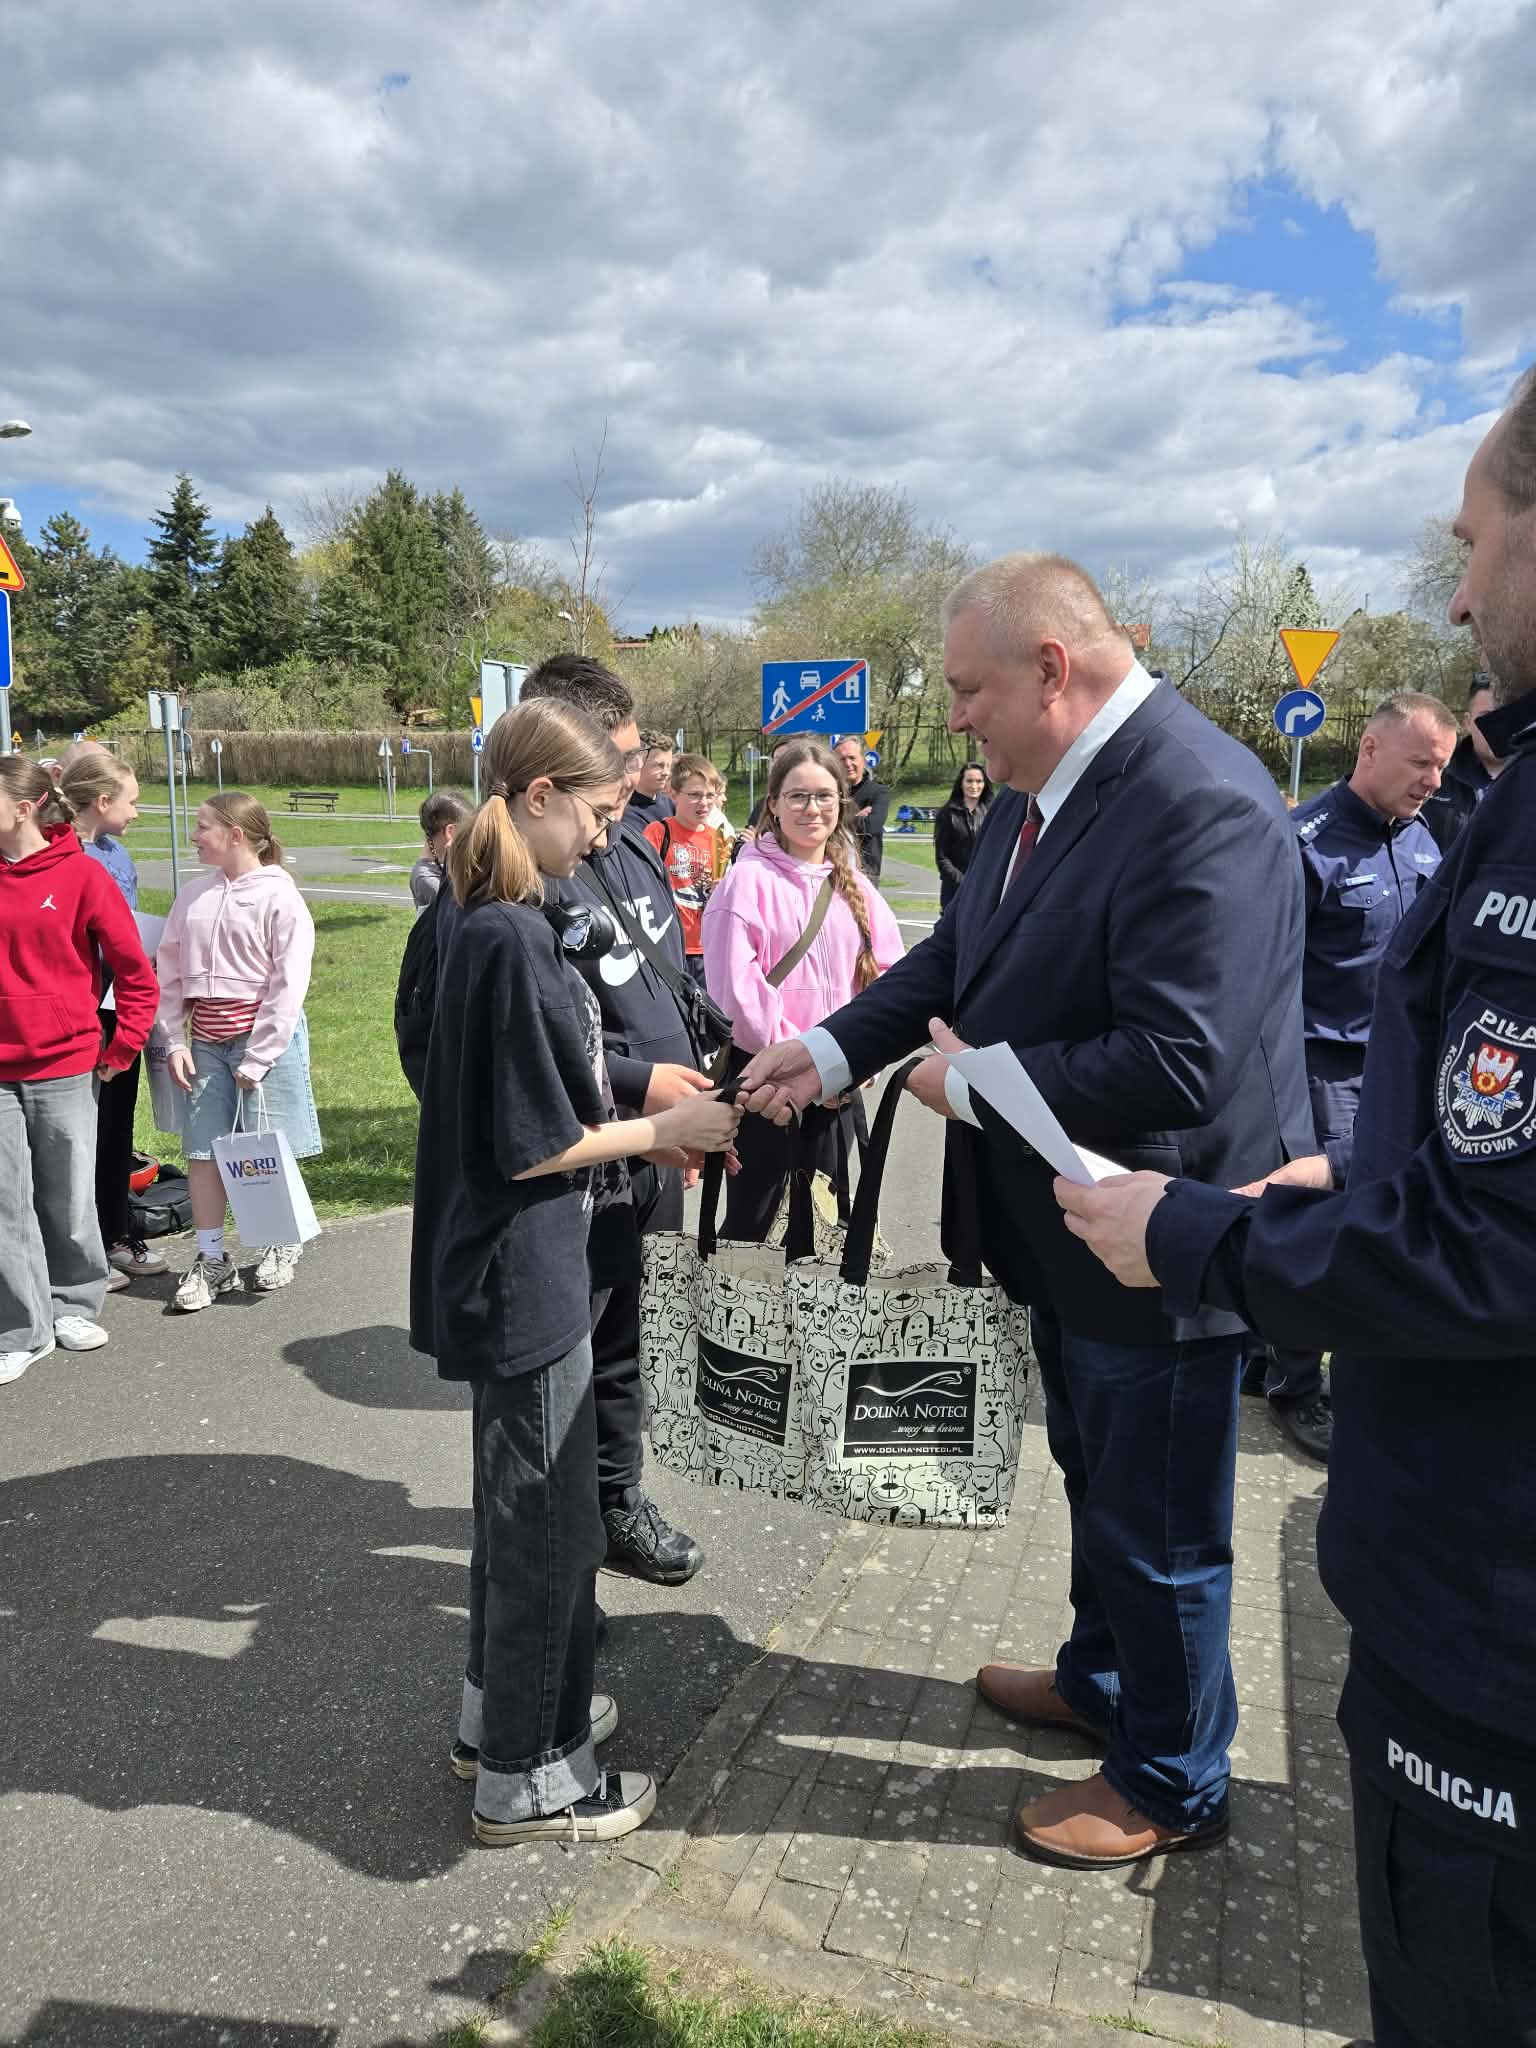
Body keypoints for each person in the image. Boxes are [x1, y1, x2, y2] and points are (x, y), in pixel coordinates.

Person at [1053, 369, 1536, 2048]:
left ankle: (1167, 1767)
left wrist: (1195, 1233)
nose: (1458, 595)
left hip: (1488, 1617)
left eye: (1474, 542)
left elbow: (1497, 1249)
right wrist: (1369, 1170)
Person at [737, 557, 1311, 1869]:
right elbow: (958, 954)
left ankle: (1173, 1780)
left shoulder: (1199, 798)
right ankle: (1106, 1683)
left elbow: (1181, 1060)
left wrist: (972, 1085)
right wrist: (830, 1050)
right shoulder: (1036, 793)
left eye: (966, 688)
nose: (951, 717)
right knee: (1098, 1480)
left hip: (1159, 1241)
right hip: (1066, 1235)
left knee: (1161, 1526)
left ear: (1052, 670)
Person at [408, 698, 740, 1845]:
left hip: (515, 1261)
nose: (608, 834)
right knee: (549, 1529)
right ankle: (531, 1773)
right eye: (599, 810)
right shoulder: (507, 931)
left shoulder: (489, 912)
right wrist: (667, 1131)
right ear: (539, 795)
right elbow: (534, 1139)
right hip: (525, 1267)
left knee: (516, 1522)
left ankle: (497, 1717)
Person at [520, 656, 715, 1586]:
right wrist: (645, 1089)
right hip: (588, 1147)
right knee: (572, 1356)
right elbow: (540, 1041)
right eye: (622, 760)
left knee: (630, 1338)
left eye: (637, 759)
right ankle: (560, 1558)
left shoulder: (630, 841)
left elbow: (664, 980)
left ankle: (614, 1503)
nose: (636, 777)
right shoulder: (525, 877)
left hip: (654, 1144)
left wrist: (704, 1081)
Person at [1249, 691, 1456, 1461]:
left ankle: (1271, 1353)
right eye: (1421, 762)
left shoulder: (1425, 841)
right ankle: (1297, 1385)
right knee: (1326, 1222)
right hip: (1323, 1067)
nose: (1435, 780)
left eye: (1443, 766)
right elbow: (1265, 974)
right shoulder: (1305, 843)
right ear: (1370, 749)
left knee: (1381, 1217)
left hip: (1400, 1066)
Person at [704, 737, 903, 1242]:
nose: (811, 808)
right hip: (767, 1090)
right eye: (797, 796)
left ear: (842, 802)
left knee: (825, 1232)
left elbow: (889, 978)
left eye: (824, 796)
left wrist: (858, 1060)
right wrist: (810, 1063)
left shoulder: (855, 885)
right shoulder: (745, 882)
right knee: (755, 1234)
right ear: (773, 803)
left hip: (840, 1088)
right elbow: (738, 996)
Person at [0, 759, 158, 1385]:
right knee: (4, 1203)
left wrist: (122, 1048)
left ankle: (72, 1301)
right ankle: (22, 1329)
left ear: (25, 808)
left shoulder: (82, 875)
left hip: (63, 1064)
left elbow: (136, 973)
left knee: (66, 1197)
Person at [155, 792, 321, 1311]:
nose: (194, 836)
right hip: (206, 1045)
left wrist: (260, 1055)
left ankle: (280, 1241)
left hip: (261, 1044)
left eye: (203, 826)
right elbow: (170, 970)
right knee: (203, 1152)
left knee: (264, 1148)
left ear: (236, 834)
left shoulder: (279, 896)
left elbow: (288, 982)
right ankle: (212, 1259)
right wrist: (174, 1040)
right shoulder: (194, 896)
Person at [59, 749, 167, 1291]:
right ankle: (76, 1251)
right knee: (73, 1131)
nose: (137, 812)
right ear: (102, 801)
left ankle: (115, 1234)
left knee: (117, 1124)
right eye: (132, 801)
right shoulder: (60, 855)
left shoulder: (117, 853)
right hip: (76, 1008)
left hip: (119, 1004)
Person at [643, 754, 729, 986]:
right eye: (695, 795)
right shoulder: (658, 833)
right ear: (673, 794)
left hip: (706, 947)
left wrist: (721, 890)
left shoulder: (718, 839)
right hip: (668, 944)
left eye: (710, 795)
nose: (704, 803)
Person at [1422, 673, 1506, 852]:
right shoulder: (1435, 777)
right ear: (1468, 722)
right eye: (1487, 717)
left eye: (1506, 717)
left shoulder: (1528, 777)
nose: (1497, 727)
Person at [932, 761, 993, 910]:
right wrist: (965, 883)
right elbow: (942, 858)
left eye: (979, 781)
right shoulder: (947, 813)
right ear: (961, 783)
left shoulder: (992, 812)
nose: (974, 786)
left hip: (984, 889)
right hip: (955, 890)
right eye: (969, 781)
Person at [833, 735, 890, 881]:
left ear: (863, 760)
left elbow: (872, 825)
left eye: (852, 758)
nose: (847, 763)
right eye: (842, 759)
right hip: (831, 868)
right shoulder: (829, 792)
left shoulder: (878, 792)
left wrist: (835, 821)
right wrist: (856, 818)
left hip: (865, 872)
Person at [410, 789, 474, 914]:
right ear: (450, 832)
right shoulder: (425, 879)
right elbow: (464, 910)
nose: (470, 838)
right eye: (467, 832)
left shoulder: (443, 863)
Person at [624, 733, 675, 824]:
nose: (666, 773)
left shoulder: (670, 804)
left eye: (669, 766)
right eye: (659, 765)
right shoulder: (625, 810)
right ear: (638, 763)